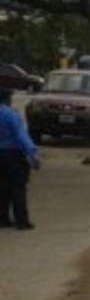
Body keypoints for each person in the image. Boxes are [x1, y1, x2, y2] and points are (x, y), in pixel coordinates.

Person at [0, 87, 39, 230]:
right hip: (13, 155)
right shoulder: (11, 115)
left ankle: (2, 219)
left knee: (2, 187)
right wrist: (32, 154)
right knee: (18, 188)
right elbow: (21, 136)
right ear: (7, 99)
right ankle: (21, 221)